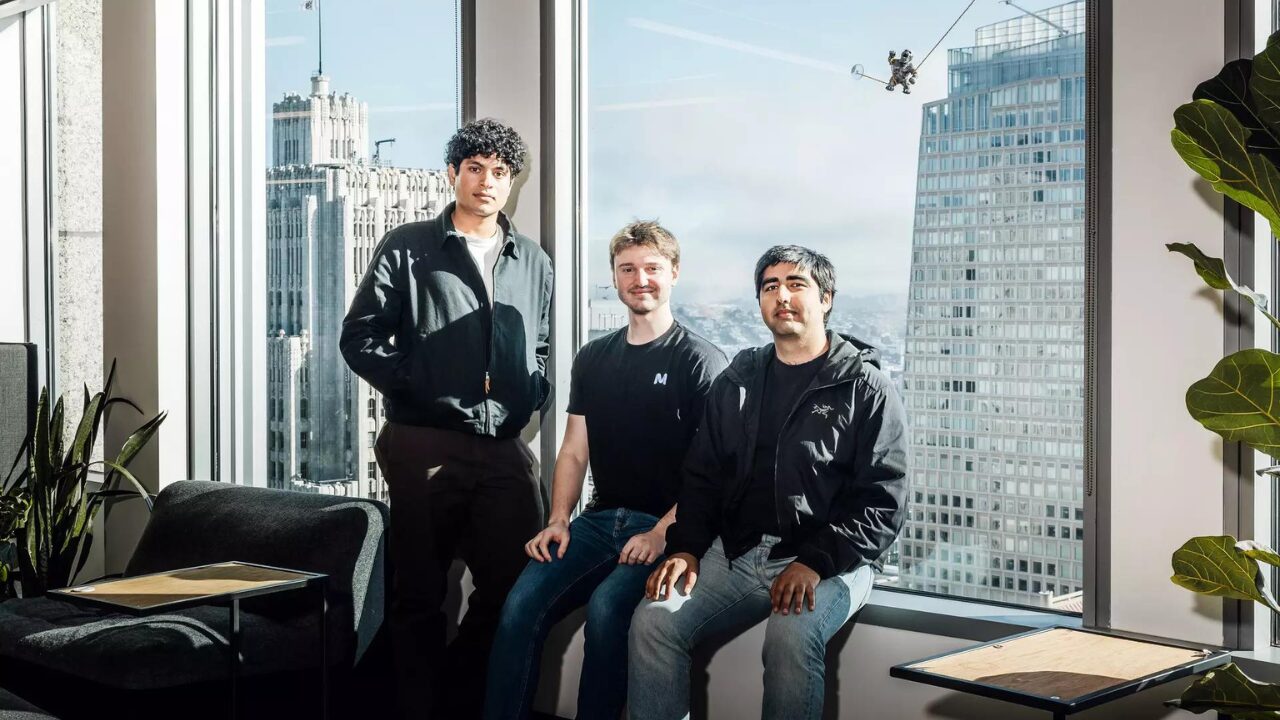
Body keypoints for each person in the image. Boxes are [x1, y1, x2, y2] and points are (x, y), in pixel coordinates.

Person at [628, 245, 908, 720]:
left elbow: (883, 500)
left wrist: (815, 562)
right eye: (770, 286)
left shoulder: (865, 387)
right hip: (738, 552)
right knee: (653, 622)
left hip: (833, 559)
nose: (782, 296)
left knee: (790, 635)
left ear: (826, 299)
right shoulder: (740, 377)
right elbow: (702, 475)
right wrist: (686, 548)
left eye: (797, 284)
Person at [340, 117, 552, 719]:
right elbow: (360, 337)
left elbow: (539, 344)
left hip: (503, 446)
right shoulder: (409, 246)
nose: (489, 182)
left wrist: (528, 392)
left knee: (515, 586)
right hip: (422, 443)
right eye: (477, 168)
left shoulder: (532, 260)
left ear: (512, 183)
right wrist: (423, 385)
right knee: (418, 595)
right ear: (454, 174)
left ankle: (458, 694)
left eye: (501, 173)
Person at [485, 221, 727, 720]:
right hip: (598, 522)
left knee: (608, 610)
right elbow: (575, 451)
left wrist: (665, 532)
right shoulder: (595, 357)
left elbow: (715, 471)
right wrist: (557, 519)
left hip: (663, 526)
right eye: (628, 269)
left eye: (652, 268)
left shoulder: (700, 361)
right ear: (615, 278)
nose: (641, 279)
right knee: (518, 608)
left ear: (674, 274)